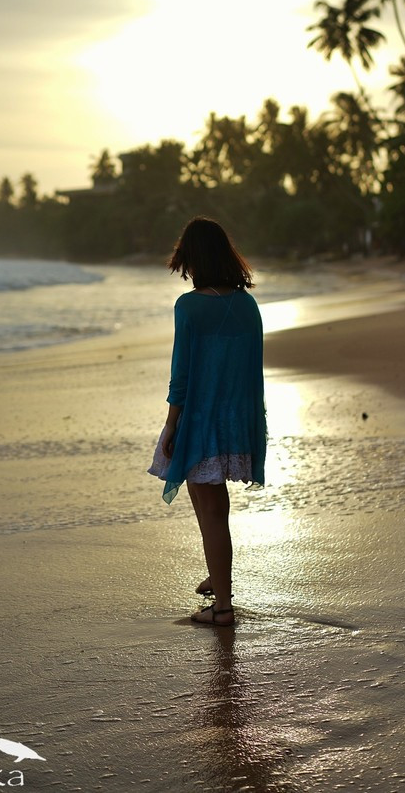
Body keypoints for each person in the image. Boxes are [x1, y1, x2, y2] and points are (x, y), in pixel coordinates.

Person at [147, 217, 267, 627]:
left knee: (209, 508)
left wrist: (171, 425)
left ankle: (222, 610)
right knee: (216, 507)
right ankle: (219, 579)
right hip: (237, 420)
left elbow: (181, 376)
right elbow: (253, 370)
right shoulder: (247, 305)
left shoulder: (190, 306)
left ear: (192, 259)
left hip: (201, 419)